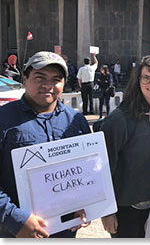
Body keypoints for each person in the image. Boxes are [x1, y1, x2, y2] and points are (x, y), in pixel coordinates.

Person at [0, 51, 91, 238]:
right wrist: (15, 218)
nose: (48, 85)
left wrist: (86, 206)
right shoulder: (3, 119)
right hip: (15, 232)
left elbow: (87, 172)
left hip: (65, 231)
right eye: (40, 77)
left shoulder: (76, 120)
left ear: (64, 83)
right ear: (24, 79)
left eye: (56, 79)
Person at [100, 56, 150, 238]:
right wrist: (107, 211)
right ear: (137, 81)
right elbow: (103, 168)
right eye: (146, 78)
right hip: (125, 207)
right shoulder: (119, 119)